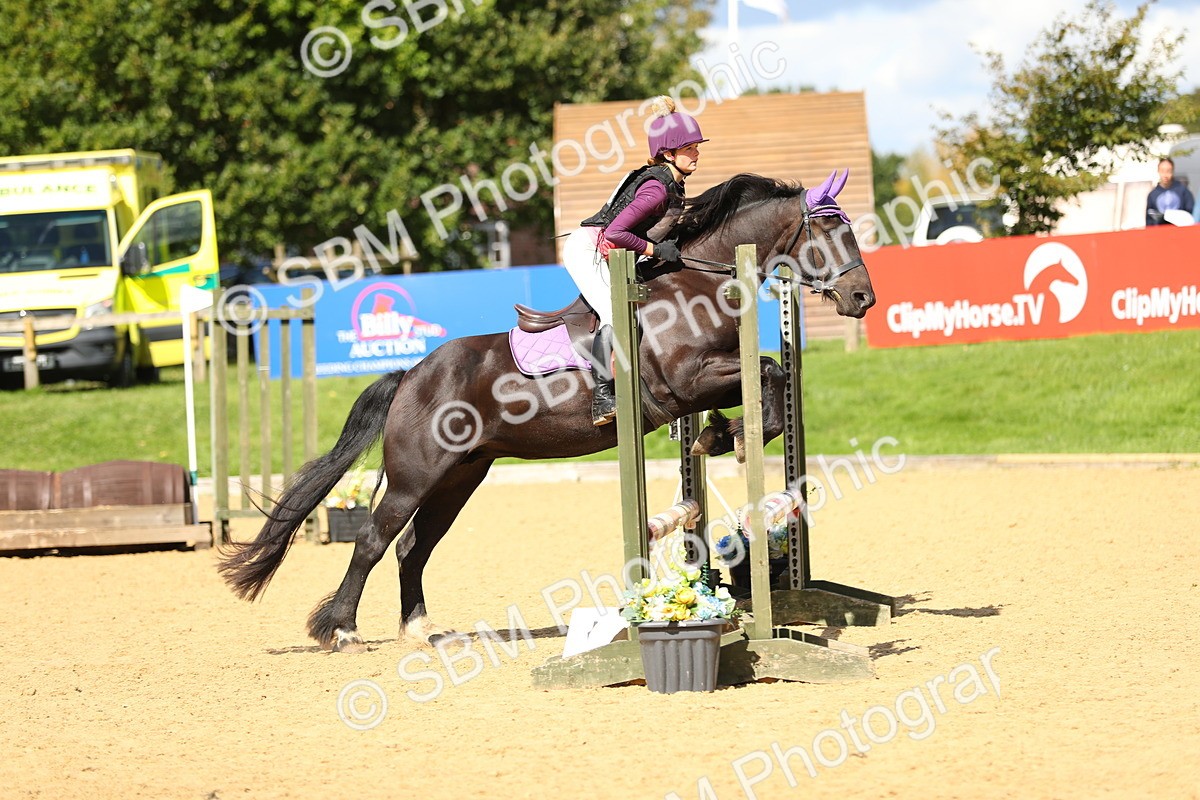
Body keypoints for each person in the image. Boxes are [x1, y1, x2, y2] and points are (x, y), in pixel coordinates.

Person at [561, 96, 707, 426]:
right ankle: (602, 396)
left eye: (697, 147)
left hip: (611, 252)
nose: (697, 153)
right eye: (691, 148)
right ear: (670, 154)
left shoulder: (673, 183)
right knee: (616, 312)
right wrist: (656, 252)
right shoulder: (657, 188)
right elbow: (614, 233)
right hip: (590, 249)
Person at [1146, 157, 1194, 226]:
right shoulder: (1152, 195)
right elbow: (1149, 220)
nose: (1165, 175)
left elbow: (1190, 213)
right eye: (1162, 171)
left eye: (1168, 171)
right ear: (1158, 171)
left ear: (1173, 171)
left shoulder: (1183, 191)